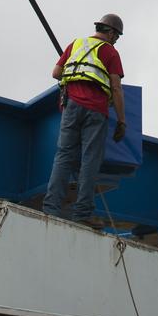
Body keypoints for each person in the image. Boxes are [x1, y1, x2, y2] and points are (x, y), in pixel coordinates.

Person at [42, 14, 127, 224]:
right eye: (116, 36)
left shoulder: (76, 44)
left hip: (71, 107)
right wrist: (122, 121)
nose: (116, 40)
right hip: (95, 110)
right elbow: (116, 87)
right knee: (90, 159)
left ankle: (50, 208)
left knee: (63, 156)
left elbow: (56, 73)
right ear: (111, 32)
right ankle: (82, 214)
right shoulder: (110, 52)